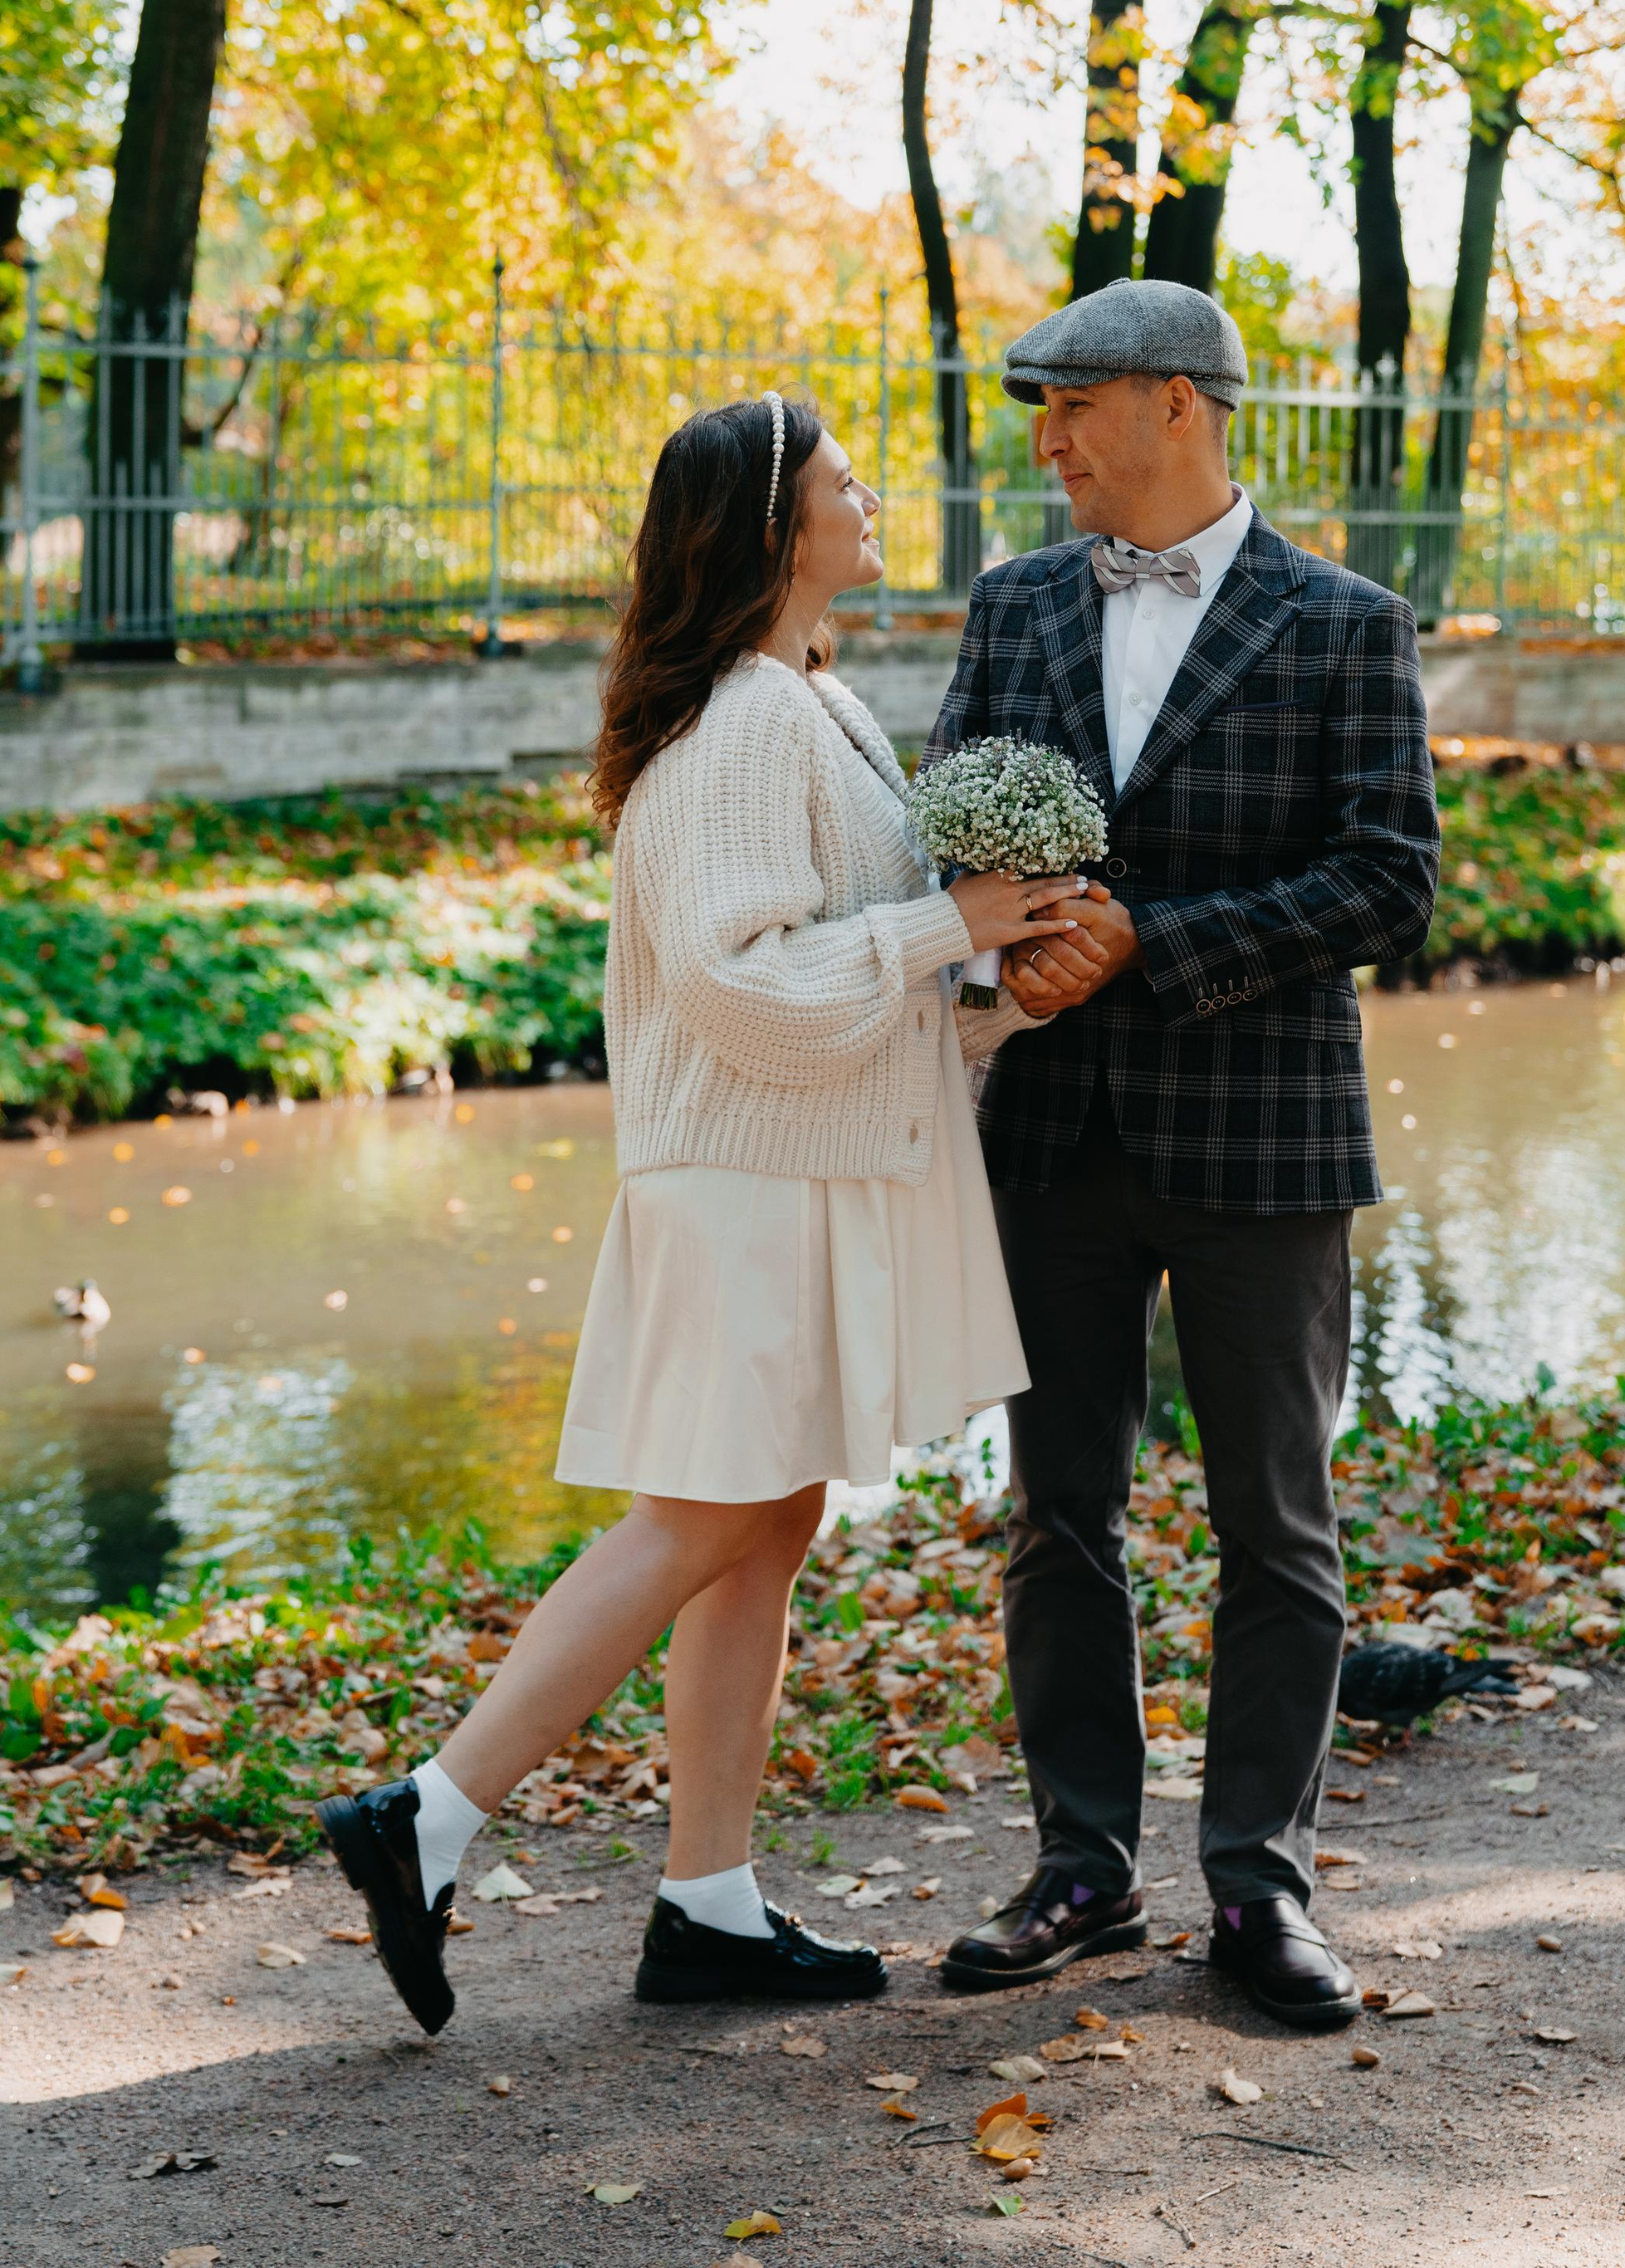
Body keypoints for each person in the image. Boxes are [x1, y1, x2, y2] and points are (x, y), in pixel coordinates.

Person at [320, 390, 1083, 2035]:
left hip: (788, 1174)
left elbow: (853, 981)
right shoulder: (742, 716)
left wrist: (1001, 983)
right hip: (744, 1186)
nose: (867, 493)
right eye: (835, 479)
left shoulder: (807, 700)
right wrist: (935, 929)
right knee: (699, 1518)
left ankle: (706, 1901)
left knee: (766, 1517)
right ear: (765, 525)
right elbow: (744, 987)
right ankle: (424, 1816)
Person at [929, 278, 1440, 2030]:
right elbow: (953, 827)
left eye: (1065, 408)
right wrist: (1007, 943)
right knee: (1054, 1515)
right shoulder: (1009, 607)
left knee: (1272, 1527)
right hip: (1051, 1134)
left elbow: (1389, 876)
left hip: (1263, 1139)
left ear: (1171, 402)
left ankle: (1258, 1887)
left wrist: (1155, 935)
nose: (1045, 443)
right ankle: (1078, 1861)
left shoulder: (1343, 621)